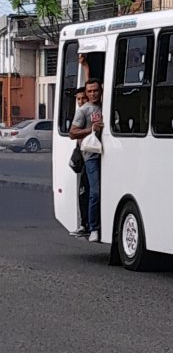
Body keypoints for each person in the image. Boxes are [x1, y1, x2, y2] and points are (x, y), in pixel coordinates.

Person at [70, 78, 103, 243]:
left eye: (95, 90)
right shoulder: (83, 110)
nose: (92, 94)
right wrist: (92, 129)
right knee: (94, 192)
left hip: (110, 154)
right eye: (89, 91)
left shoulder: (106, 104)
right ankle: (93, 228)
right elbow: (72, 133)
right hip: (91, 156)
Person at [69, 87, 91, 239]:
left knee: (88, 193)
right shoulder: (80, 114)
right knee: (83, 193)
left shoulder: (89, 113)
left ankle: (86, 224)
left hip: (91, 156)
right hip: (83, 158)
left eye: (83, 98)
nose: (81, 101)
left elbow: (74, 133)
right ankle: (84, 224)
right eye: (78, 99)